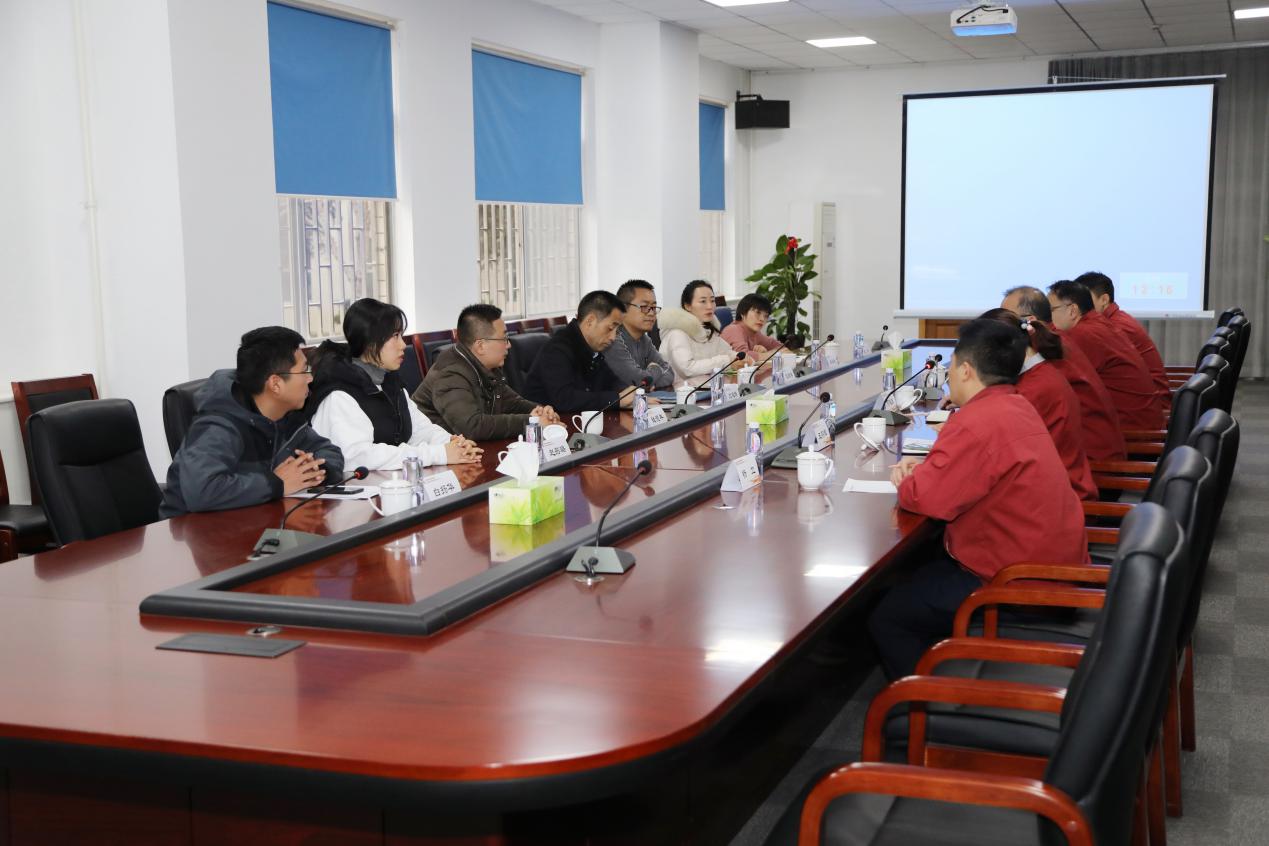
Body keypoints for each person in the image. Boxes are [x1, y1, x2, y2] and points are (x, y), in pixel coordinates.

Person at [869, 319, 1089, 680]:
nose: (948, 374)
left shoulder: (976, 421)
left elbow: (924, 497)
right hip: (1053, 569)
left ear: (966, 370)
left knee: (890, 616)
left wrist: (909, 478)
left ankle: (925, 704)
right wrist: (930, 468)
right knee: (921, 570)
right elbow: (969, 470)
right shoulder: (1016, 404)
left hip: (1019, 584)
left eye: (952, 365)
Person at [160, 326, 344, 517]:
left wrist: (312, 471)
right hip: (194, 529)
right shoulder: (218, 425)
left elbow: (328, 451)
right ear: (275, 384)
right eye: (304, 371)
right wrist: (277, 483)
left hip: (255, 519)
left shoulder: (286, 414)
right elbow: (202, 491)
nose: (310, 378)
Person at [306, 298, 482, 471]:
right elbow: (359, 457)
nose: (403, 345)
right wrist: (439, 454)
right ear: (370, 342)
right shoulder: (339, 394)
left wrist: (451, 443)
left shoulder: (389, 380)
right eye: (395, 336)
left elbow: (418, 429)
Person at [980, 308, 1097, 501]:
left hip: (1059, 495)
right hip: (1058, 482)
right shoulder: (1040, 373)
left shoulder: (1032, 390)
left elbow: (992, 445)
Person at [1002, 286, 1127, 462]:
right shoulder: (1055, 340)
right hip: (1084, 448)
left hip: (1094, 460)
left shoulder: (1050, 350)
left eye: (1008, 319)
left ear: (1029, 321)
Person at [413, 304, 560, 441]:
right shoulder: (449, 374)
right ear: (481, 346)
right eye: (504, 338)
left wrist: (541, 411)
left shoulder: (485, 366)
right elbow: (472, 427)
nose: (509, 345)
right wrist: (532, 421)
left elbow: (512, 402)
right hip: (434, 453)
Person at [1047, 280, 1164, 430]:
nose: (1048, 318)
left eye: (1051, 310)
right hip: (1138, 419)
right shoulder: (1098, 324)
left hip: (1132, 429)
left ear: (1072, 310)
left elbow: (1057, 381)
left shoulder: (1083, 334)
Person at [523, 290, 643, 413]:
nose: (613, 337)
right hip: (547, 422)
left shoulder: (590, 348)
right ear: (590, 321)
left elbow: (611, 381)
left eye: (617, 331)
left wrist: (632, 394)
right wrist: (618, 400)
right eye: (610, 328)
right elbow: (565, 399)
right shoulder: (557, 349)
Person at [1077, 271, 1171, 410]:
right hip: (1141, 400)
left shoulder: (1113, 327)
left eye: (1085, 300)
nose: (1079, 307)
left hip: (1148, 406)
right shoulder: (1114, 320)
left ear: (1104, 299)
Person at [658, 280, 748, 381]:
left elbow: (726, 352)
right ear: (687, 306)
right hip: (681, 389)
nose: (710, 306)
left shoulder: (708, 330)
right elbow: (688, 369)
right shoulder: (677, 334)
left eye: (712, 301)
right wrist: (726, 360)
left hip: (707, 386)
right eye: (703, 301)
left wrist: (739, 358)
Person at [606, 280, 676, 390]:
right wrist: (655, 369)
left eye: (654, 307)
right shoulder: (612, 338)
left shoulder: (644, 339)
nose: (651, 313)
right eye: (644, 306)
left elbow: (669, 372)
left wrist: (650, 384)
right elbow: (637, 380)